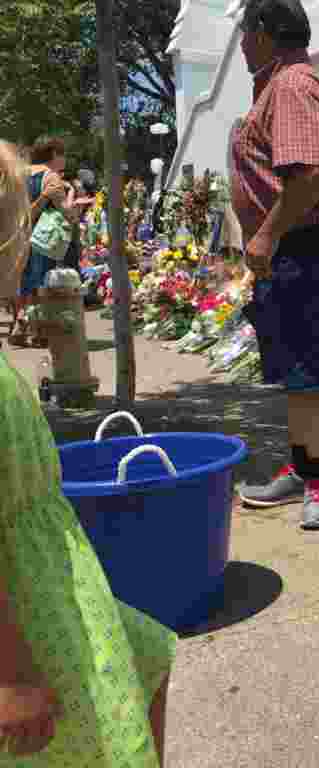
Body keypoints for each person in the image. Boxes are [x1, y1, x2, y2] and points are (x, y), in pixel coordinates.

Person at [0, 140, 176, 764]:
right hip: (25, 607)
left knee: (149, 653)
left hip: (52, 578)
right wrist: (13, 675)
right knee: (95, 735)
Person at [231, 0, 319, 530]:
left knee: (311, 373)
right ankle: (302, 469)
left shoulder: (292, 86)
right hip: (293, 247)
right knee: (298, 374)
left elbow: (311, 175)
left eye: (243, 31)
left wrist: (265, 235)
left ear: (264, 32)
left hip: (306, 246)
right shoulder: (282, 85)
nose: (239, 43)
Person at [10, 137, 84, 348]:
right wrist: (74, 210)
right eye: (62, 154)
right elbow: (64, 210)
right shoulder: (51, 177)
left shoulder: (21, 174)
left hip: (21, 236)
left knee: (27, 282)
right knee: (44, 284)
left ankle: (21, 323)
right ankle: (38, 332)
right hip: (44, 239)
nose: (65, 159)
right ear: (53, 155)